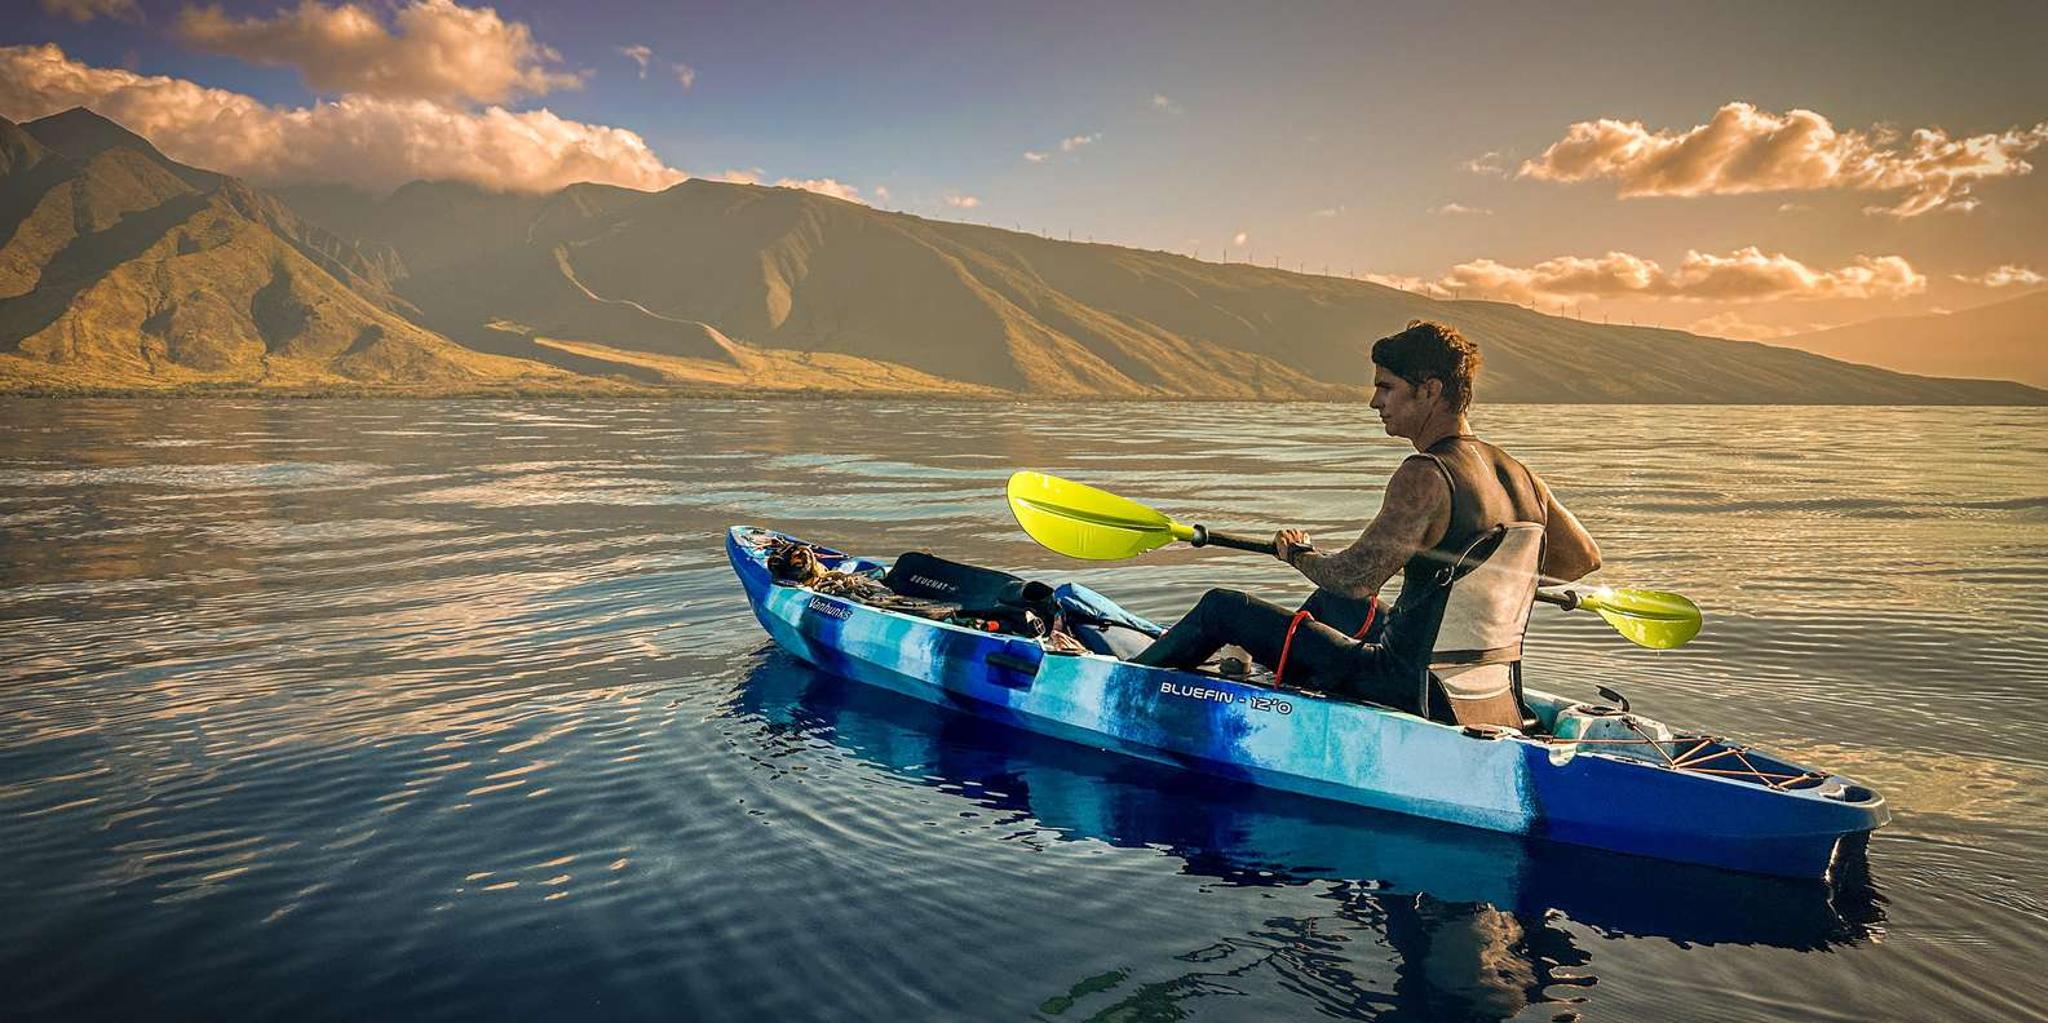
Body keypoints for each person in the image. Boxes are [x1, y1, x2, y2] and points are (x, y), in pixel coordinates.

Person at [1131, 320, 1601, 728]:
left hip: (1406, 687)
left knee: (1222, 608)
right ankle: (1273, 674)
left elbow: (1354, 579)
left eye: (1387, 387)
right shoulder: (1522, 476)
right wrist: (1487, 580)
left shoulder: (1427, 474)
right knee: (1336, 606)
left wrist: (1296, 553)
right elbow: (1581, 559)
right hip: (1490, 693)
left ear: (1431, 390)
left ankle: (1120, 683)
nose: (1374, 402)